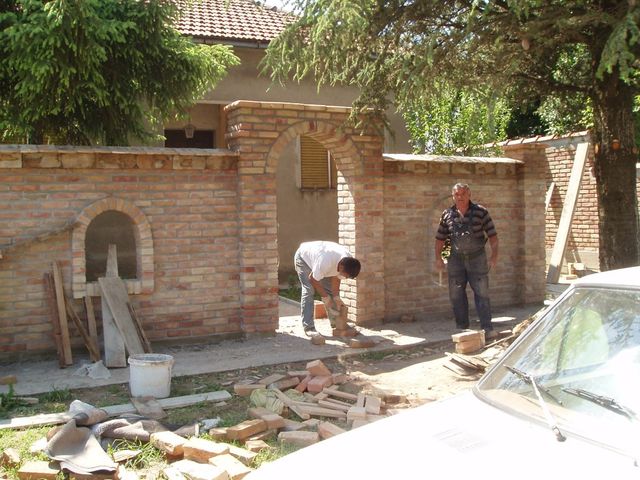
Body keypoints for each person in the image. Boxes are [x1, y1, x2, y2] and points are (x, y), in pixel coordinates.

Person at [434, 183, 499, 339]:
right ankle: (462, 328)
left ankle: (487, 328)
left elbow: (493, 236)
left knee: (482, 293)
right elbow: (440, 238)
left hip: (477, 259)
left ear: (469, 194)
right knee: (456, 294)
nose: (460, 197)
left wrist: (494, 256)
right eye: (457, 194)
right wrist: (438, 258)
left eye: (463, 194)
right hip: (455, 260)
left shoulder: (481, 212)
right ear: (453, 196)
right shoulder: (447, 214)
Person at [294, 240, 361, 336]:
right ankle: (309, 327)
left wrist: (336, 297)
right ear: (341, 268)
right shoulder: (325, 262)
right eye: (345, 275)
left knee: (329, 291)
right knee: (309, 290)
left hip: (321, 261)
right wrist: (325, 298)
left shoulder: (348, 262)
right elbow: (312, 279)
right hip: (303, 258)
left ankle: (337, 323)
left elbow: (336, 278)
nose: (345, 277)